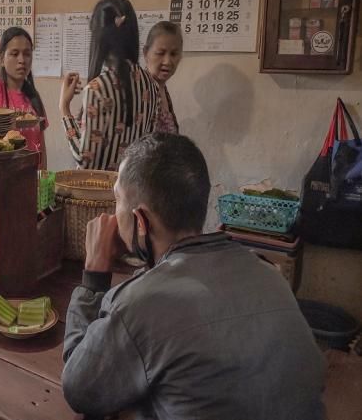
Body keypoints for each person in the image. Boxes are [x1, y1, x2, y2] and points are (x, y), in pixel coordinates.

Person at [62, 132, 325, 420]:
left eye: (117, 200)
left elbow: (80, 389)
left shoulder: (140, 305)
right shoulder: (269, 275)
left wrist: (94, 275)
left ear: (140, 221)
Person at [60, 0, 161, 170]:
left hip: (96, 193)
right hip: (131, 192)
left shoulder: (97, 88)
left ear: (98, 38)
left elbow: (84, 158)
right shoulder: (151, 85)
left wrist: (64, 108)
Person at [0, 27, 49, 168]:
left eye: (27, 54)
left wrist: (43, 177)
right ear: (1, 59)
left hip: (30, 176)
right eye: (14, 53)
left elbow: (41, 145)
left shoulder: (34, 97)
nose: (21, 60)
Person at [143, 21, 183, 133]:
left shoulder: (162, 89)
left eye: (174, 54)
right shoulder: (141, 90)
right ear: (146, 53)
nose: (167, 61)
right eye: (160, 53)